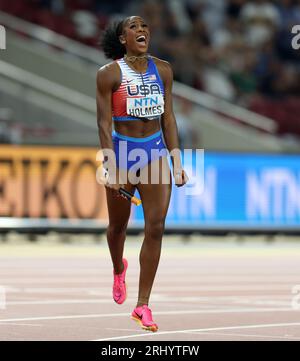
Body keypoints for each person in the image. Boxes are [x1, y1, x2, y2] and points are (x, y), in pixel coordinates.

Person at [96, 15, 188, 332]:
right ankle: (117, 268)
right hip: (123, 154)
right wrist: (109, 167)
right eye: (133, 27)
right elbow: (104, 124)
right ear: (122, 38)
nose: (142, 30)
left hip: (154, 153)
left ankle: (142, 305)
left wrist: (176, 160)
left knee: (156, 226)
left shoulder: (162, 70)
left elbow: (170, 119)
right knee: (117, 228)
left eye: (145, 26)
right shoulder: (109, 74)